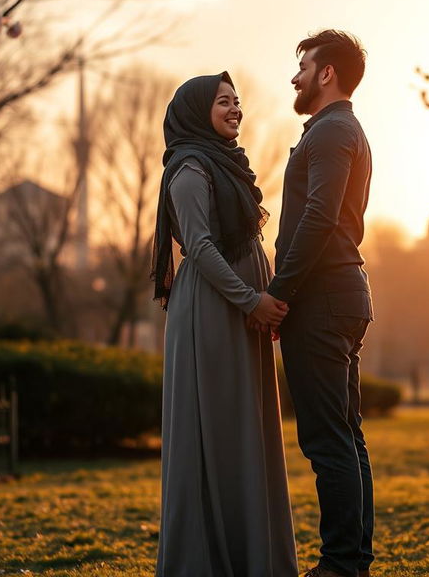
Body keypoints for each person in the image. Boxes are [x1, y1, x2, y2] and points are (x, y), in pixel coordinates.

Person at [151, 72, 297, 577]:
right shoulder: (190, 170)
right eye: (223, 101)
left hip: (244, 312)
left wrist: (271, 294)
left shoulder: (228, 166)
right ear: (196, 110)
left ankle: (256, 557)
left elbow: (247, 245)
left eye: (238, 102)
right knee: (217, 433)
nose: (235, 109)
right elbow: (201, 249)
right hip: (213, 316)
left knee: (247, 430)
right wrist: (250, 301)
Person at [268, 30, 375, 577]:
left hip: (324, 297)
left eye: (304, 65)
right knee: (345, 433)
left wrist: (279, 293)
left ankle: (338, 564)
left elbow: (320, 217)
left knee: (327, 437)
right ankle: (352, 560)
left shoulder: (332, 131)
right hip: (338, 294)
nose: (296, 76)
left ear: (326, 73)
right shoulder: (338, 129)